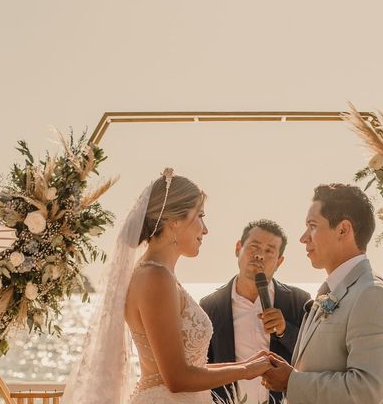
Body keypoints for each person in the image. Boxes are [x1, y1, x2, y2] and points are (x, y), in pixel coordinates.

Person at [63, 169, 272, 404]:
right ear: (174, 221)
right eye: (200, 216)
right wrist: (245, 371)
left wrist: (248, 363)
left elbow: (192, 367)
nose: (205, 229)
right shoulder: (155, 277)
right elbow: (176, 378)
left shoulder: (160, 275)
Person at [262, 183, 383, 404]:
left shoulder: (373, 295)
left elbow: (366, 390)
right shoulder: (333, 291)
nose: (303, 238)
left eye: (312, 226)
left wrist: (291, 381)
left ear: (343, 230)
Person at [200, 220, 310, 404]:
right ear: (238, 248)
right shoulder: (210, 306)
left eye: (269, 251)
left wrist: (285, 331)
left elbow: (314, 359)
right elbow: (202, 368)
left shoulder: (299, 301)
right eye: (254, 246)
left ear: (279, 261)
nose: (259, 255)